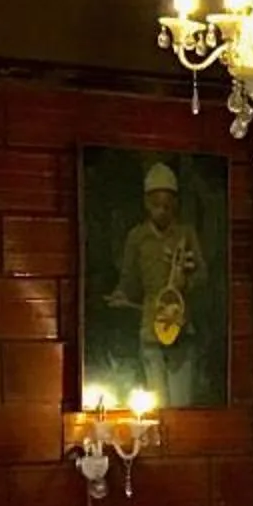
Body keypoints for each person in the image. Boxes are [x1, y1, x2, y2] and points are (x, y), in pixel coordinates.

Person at [104, 161, 209, 406]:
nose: (162, 211)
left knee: (182, 405)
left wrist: (186, 282)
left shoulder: (186, 234)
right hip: (150, 330)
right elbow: (129, 280)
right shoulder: (137, 237)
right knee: (156, 405)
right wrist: (121, 295)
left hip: (182, 328)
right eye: (156, 205)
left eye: (167, 205)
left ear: (175, 205)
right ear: (146, 204)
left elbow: (202, 275)